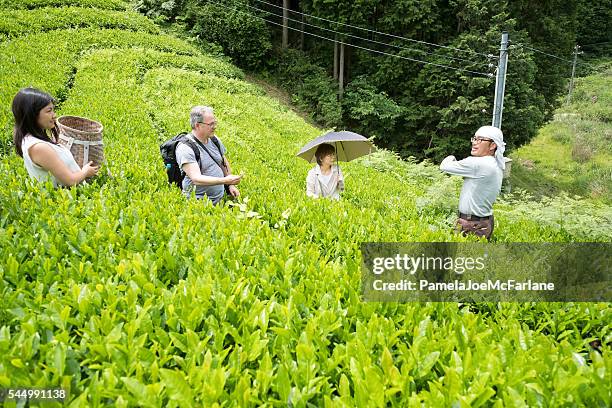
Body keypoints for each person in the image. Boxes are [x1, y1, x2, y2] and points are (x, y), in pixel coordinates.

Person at [12, 88, 99, 187]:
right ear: (32, 114)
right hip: (65, 199)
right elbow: (70, 181)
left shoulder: (30, 139)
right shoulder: (38, 147)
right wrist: (85, 172)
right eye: (49, 111)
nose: (54, 115)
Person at [439, 125, 506, 240]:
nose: (475, 143)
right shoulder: (494, 164)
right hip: (483, 222)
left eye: (480, 139)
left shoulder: (478, 163)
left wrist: (451, 157)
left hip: (472, 225)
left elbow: (444, 166)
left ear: (493, 145)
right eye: (474, 138)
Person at [175, 106, 241, 204]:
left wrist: (230, 184)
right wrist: (224, 180)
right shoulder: (186, 148)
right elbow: (196, 178)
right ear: (197, 125)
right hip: (198, 204)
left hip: (219, 200)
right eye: (211, 124)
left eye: (215, 123)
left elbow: (223, 162)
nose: (214, 126)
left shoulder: (214, 140)